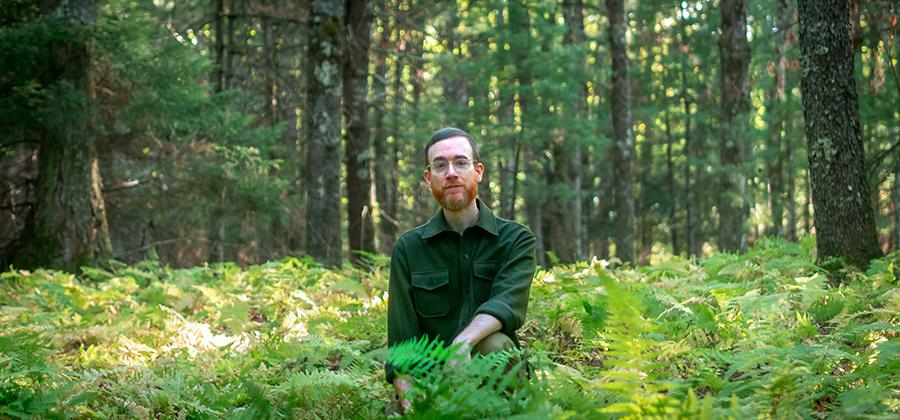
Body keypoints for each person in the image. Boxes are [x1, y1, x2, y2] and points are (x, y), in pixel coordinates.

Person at [385, 127, 537, 415]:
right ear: (429, 179)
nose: (451, 172)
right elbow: (401, 343)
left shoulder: (516, 240)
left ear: (478, 171)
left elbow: (507, 304)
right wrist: (412, 400)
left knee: (495, 343)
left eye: (461, 162)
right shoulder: (409, 249)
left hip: (496, 384)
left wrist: (462, 342)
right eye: (440, 165)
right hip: (433, 389)